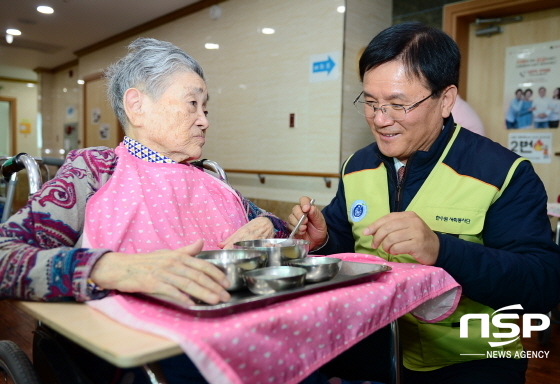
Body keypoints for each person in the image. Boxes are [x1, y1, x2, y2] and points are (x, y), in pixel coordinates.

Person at [0, 38, 290, 383]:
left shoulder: (209, 179)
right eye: (192, 104)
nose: (204, 121)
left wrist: (264, 224)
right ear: (137, 105)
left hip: (236, 333)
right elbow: (5, 255)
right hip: (148, 351)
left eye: (206, 109)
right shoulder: (95, 170)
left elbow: (281, 228)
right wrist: (110, 267)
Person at [289, 22, 560, 384]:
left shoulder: (504, 173)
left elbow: (541, 285)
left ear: (446, 100)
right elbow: (349, 247)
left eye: (398, 105)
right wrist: (323, 240)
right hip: (371, 349)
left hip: (470, 359)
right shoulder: (356, 167)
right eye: (370, 103)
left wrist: (441, 249)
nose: (380, 120)